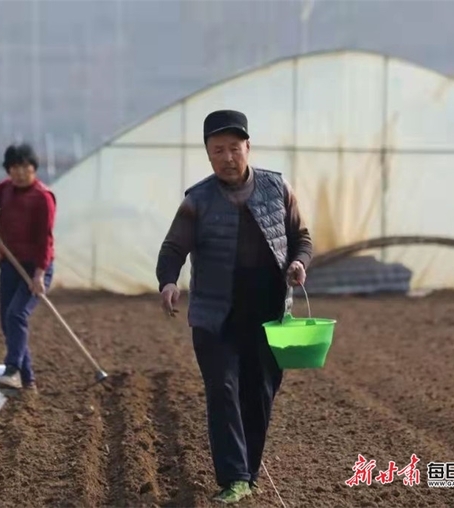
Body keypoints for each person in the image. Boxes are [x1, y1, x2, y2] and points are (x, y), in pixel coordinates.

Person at [155, 110, 313, 504]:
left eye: (233, 148)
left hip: (269, 313)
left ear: (248, 147)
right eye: (217, 150)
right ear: (208, 155)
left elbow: (301, 237)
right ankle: (234, 478)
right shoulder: (199, 199)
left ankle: (250, 472)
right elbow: (174, 246)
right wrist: (169, 281)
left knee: (260, 393)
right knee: (222, 389)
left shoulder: (277, 188)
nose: (227, 157)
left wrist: (298, 263)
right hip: (214, 315)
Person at [0, 142, 56, 392]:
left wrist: (40, 274)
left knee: (17, 314)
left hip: (36, 267)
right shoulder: (6, 189)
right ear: (8, 170)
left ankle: (11, 369)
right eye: (14, 168)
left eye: (24, 167)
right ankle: (28, 380)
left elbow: (46, 240)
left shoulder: (43, 198)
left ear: (33, 168)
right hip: (9, 263)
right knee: (7, 321)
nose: (19, 173)